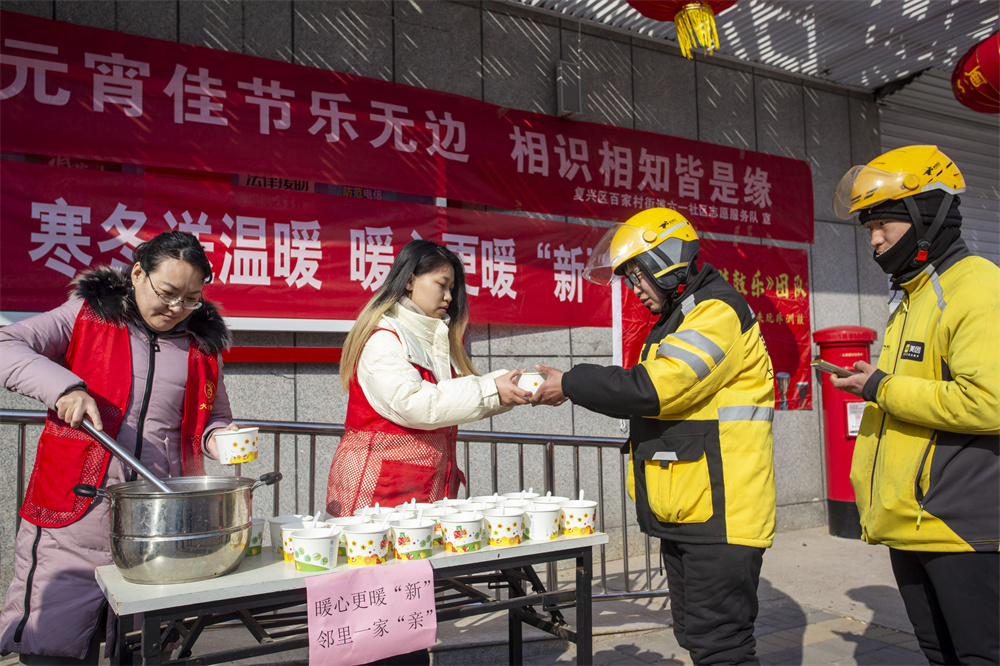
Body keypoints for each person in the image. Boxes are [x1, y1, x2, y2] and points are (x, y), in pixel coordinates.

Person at [531, 208, 776, 665]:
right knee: (697, 636)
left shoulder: (715, 312)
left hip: (722, 514)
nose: (635, 288)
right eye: (627, 278)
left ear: (667, 259)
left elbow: (655, 387)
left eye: (637, 275)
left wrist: (570, 382)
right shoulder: (680, 318)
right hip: (693, 508)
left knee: (722, 646)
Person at [0, 231, 236, 664]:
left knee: (148, 649)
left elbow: (213, 416)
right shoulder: (87, 317)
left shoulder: (202, 346)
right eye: (167, 293)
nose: (176, 308)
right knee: (54, 645)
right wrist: (63, 388)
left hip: (159, 520)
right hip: (75, 514)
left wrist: (220, 438)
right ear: (138, 273)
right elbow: (5, 345)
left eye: (191, 298)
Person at [829, 144, 999, 664]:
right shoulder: (915, 294)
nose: (875, 240)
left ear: (929, 215)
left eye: (885, 223)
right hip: (911, 521)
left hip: (961, 527)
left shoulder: (976, 288)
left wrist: (879, 386)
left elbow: (988, 402)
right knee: (937, 652)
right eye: (868, 228)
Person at [326, 239, 531, 518]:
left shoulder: (431, 338)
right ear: (410, 281)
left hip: (416, 487)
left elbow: (446, 398)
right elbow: (416, 404)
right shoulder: (383, 338)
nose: (448, 297)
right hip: (379, 490)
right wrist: (492, 389)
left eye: (452, 289)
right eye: (442, 285)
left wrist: (507, 392)